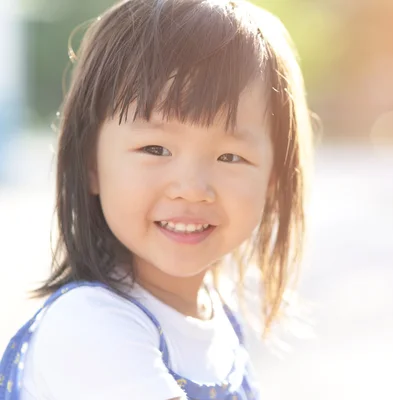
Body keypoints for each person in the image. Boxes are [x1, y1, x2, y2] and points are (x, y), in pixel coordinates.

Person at [0, 0, 313, 398]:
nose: (192, 187)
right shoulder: (89, 327)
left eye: (230, 156)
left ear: (274, 179)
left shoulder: (218, 318)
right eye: (155, 149)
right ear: (90, 163)